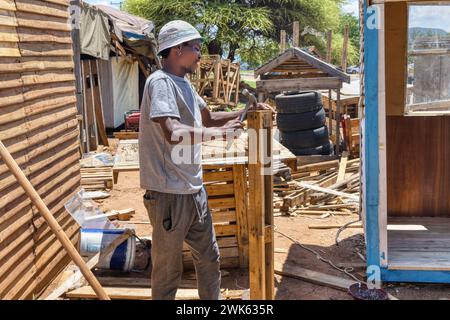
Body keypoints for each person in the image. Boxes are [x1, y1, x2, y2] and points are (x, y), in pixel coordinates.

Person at [139, 20, 271, 300]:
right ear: (177, 50)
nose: (200, 55)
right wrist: (217, 134)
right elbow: (173, 131)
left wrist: (246, 112)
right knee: (167, 270)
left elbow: (208, 117)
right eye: (196, 48)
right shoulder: (160, 83)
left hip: (193, 190)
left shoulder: (184, 84)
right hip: (168, 194)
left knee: (209, 257)